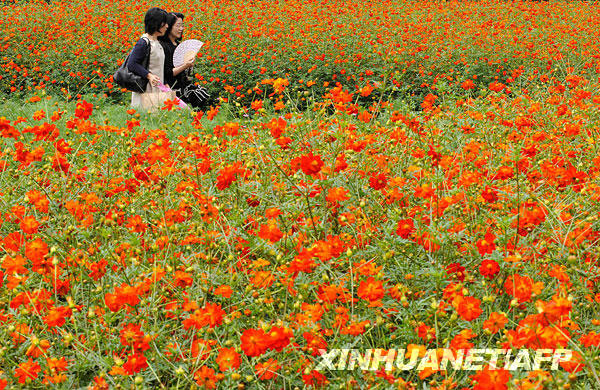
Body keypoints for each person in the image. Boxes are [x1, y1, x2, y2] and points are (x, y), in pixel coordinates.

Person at [159, 12, 215, 110]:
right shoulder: (163, 46)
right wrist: (185, 65)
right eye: (178, 25)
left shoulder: (178, 44)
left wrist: (189, 66)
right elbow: (167, 73)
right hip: (173, 88)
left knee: (206, 98)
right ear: (168, 26)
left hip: (184, 85)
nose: (181, 29)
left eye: (182, 25)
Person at [128, 7, 169, 109]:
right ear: (156, 24)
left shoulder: (157, 43)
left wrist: (166, 83)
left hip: (157, 89)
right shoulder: (143, 42)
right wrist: (149, 76)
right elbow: (132, 64)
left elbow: (159, 67)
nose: (167, 26)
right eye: (164, 23)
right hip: (146, 90)